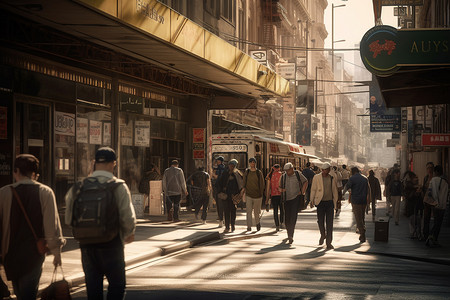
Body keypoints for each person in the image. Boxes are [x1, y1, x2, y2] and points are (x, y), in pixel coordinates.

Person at [65, 147, 136, 300]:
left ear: (94, 163)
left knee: (93, 289)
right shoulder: (118, 186)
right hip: (112, 244)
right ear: (114, 163)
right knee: (116, 286)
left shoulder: (79, 187)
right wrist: (129, 233)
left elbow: (68, 219)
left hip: (87, 246)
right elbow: (127, 217)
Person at [0, 154, 65, 299]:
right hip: (34, 256)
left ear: (16, 171)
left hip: (10, 256)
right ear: (35, 174)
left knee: (19, 292)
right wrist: (56, 253)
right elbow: (52, 227)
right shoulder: (45, 192)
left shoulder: (4, 193)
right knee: (28, 294)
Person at [310, 162, 339, 250]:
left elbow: (334, 190)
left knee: (330, 223)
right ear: (321, 170)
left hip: (330, 202)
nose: (325, 171)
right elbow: (313, 189)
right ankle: (323, 234)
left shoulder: (332, 178)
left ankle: (329, 242)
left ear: (329, 170)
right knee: (320, 221)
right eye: (323, 170)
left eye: (327, 170)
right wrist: (311, 200)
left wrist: (336, 202)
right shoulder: (316, 177)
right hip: (320, 202)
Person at [278, 162, 308, 244]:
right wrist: (281, 190)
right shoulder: (283, 176)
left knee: (293, 217)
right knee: (287, 218)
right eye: (286, 171)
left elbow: (305, 181)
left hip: (296, 198)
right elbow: (279, 187)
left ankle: (291, 235)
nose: (287, 172)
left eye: (288, 170)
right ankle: (289, 232)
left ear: (292, 169)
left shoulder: (298, 174)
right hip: (286, 199)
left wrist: (302, 191)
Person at [343, 167, 371, 243]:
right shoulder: (365, 178)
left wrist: (342, 194)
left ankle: (362, 234)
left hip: (356, 201)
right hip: (363, 200)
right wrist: (369, 200)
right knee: (362, 217)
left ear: (353, 171)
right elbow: (369, 189)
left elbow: (347, 186)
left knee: (358, 218)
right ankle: (362, 232)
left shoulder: (352, 178)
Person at [217, 159, 243, 233]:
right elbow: (219, 183)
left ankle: (233, 225)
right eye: (230, 165)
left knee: (233, 211)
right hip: (226, 195)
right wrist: (220, 192)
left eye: (232, 165)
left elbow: (241, 185)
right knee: (226, 211)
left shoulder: (237, 174)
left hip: (234, 196)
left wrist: (238, 194)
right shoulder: (225, 173)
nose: (231, 166)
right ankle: (227, 227)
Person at [426, 165, 448, 247]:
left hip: (434, 204)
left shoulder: (433, 180)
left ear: (436, 172)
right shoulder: (445, 182)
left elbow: (429, 192)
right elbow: (446, 194)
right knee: (439, 222)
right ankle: (433, 236)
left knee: (436, 221)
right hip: (442, 205)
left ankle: (432, 236)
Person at [243, 157, 265, 232]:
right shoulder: (247, 172)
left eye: (253, 162)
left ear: (255, 163)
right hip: (248, 194)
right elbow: (244, 183)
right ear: (249, 163)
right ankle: (249, 226)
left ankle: (257, 223)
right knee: (248, 211)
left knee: (256, 212)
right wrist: (243, 191)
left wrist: (261, 194)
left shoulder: (259, 173)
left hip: (257, 196)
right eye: (251, 162)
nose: (252, 163)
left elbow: (262, 184)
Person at [266, 164, 283, 231]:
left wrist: (267, 199)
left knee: (275, 211)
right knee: (282, 209)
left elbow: (268, 188)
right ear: (279, 168)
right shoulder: (281, 175)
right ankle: (281, 221)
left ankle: (277, 225)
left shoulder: (269, 175)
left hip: (273, 196)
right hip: (281, 195)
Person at [403, 173, 421, 239]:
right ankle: (413, 233)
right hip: (411, 205)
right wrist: (415, 192)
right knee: (412, 219)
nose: (417, 179)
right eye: (415, 178)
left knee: (415, 219)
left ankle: (415, 233)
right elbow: (408, 196)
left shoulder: (415, 186)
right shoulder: (409, 186)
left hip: (415, 205)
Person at [212, 156, 226, 228]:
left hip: (219, 189)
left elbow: (216, 177)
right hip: (224, 189)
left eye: (217, 161)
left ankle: (221, 219)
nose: (217, 162)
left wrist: (212, 173)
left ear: (220, 161)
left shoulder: (219, 168)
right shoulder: (225, 168)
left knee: (219, 204)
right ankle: (223, 219)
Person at [422, 162, 435, 240]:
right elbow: (424, 188)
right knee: (426, 218)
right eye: (428, 168)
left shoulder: (435, 178)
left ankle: (432, 235)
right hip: (427, 201)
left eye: (431, 167)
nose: (429, 169)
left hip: (434, 201)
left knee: (434, 219)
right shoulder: (426, 178)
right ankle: (426, 234)